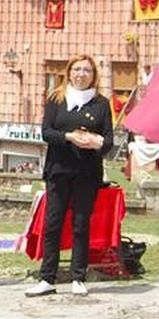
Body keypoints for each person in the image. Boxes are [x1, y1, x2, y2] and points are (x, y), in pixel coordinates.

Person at [25, 55, 113, 297]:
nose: (81, 74)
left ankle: (78, 277)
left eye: (86, 70)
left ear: (93, 75)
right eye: (77, 69)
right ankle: (47, 278)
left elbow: (109, 141)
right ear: (69, 72)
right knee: (53, 224)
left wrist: (96, 141)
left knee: (81, 225)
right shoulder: (56, 99)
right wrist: (69, 137)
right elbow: (46, 132)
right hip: (59, 171)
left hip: (86, 173)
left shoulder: (101, 104)